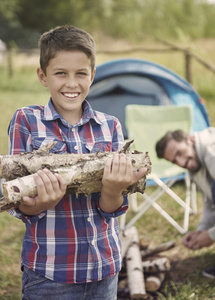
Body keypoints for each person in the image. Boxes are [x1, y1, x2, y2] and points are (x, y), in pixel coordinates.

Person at [7, 25, 146, 300]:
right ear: (43, 76)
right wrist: (42, 203)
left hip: (104, 269)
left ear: (92, 76)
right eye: (61, 73)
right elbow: (18, 200)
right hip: (49, 274)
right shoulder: (26, 121)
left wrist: (112, 190)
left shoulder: (111, 126)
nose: (72, 84)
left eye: (80, 73)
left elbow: (111, 209)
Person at [156, 128, 215, 279]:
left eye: (179, 153)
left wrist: (211, 235)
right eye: (175, 161)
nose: (182, 163)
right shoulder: (196, 161)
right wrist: (201, 231)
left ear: (190, 139)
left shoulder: (211, 149)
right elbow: (210, 201)